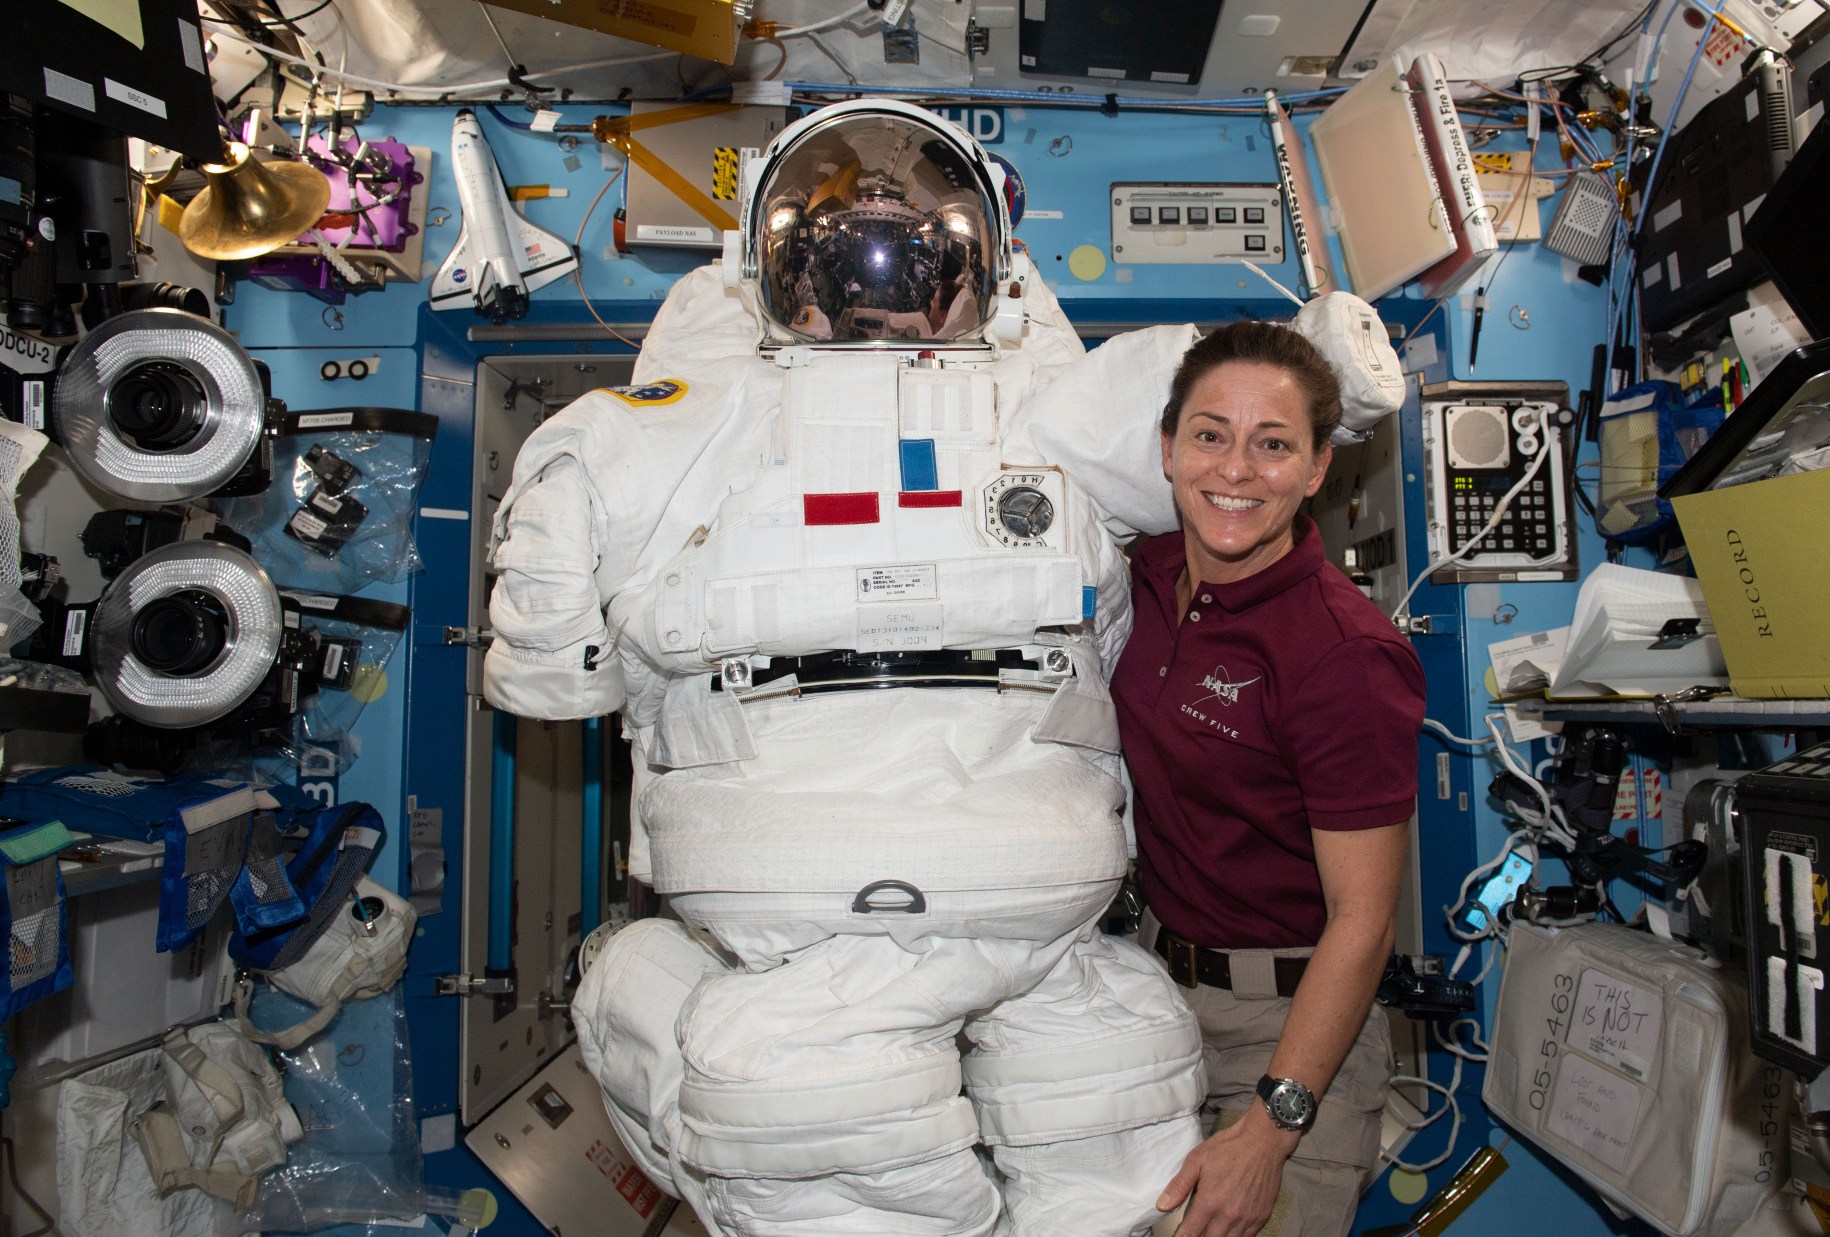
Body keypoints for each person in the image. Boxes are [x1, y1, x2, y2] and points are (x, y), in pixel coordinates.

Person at [485, 98, 1402, 1236]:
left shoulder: (1047, 411)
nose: (876, 263)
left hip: (953, 892)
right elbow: (551, 670)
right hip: (914, 885)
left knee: (1019, 1106)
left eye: (911, 244)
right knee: (883, 1107)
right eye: (846, 241)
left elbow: (1204, 402)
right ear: (777, 272)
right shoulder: (695, 416)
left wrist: (1324, 372)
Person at [1113, 319, 1424, 1237]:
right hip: (1151, 991)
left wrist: (1273, 1126)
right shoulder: (1142, 571)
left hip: (1291, 1024)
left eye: (1273, 444)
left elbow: (1363, 920)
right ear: (1168, 449)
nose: (1236, 471)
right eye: (1211, 435)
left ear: (1318, 468)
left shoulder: (1344, 656)